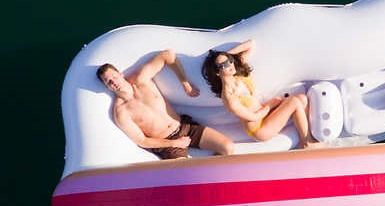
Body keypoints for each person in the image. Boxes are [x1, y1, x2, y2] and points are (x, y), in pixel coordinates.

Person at [97, 49, 234, 159]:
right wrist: (174, 143)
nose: (113, 82)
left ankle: (210, 172)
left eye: (114, 77)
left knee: (228, 148)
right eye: (108, 81)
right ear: (107, 86)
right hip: (167, 144)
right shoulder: (121, 112)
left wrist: (184, 82)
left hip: (184, 126)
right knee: (188, 174)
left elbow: (168, 55)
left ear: (120, 74)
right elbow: (142, 141)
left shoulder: (141, 79)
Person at [201, 39, 318, 148]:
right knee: (294, 102)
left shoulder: (237, 74)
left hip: (265, 113)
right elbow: (254, 117)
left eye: (230, 61)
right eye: (224, 65)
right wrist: (270, 105)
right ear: (217, 72)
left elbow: (250, 44)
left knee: (302, 98)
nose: (230, 64)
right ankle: (307, 142)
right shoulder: (229, 98)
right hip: (259, 129)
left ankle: (308, 137)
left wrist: (224, 56)